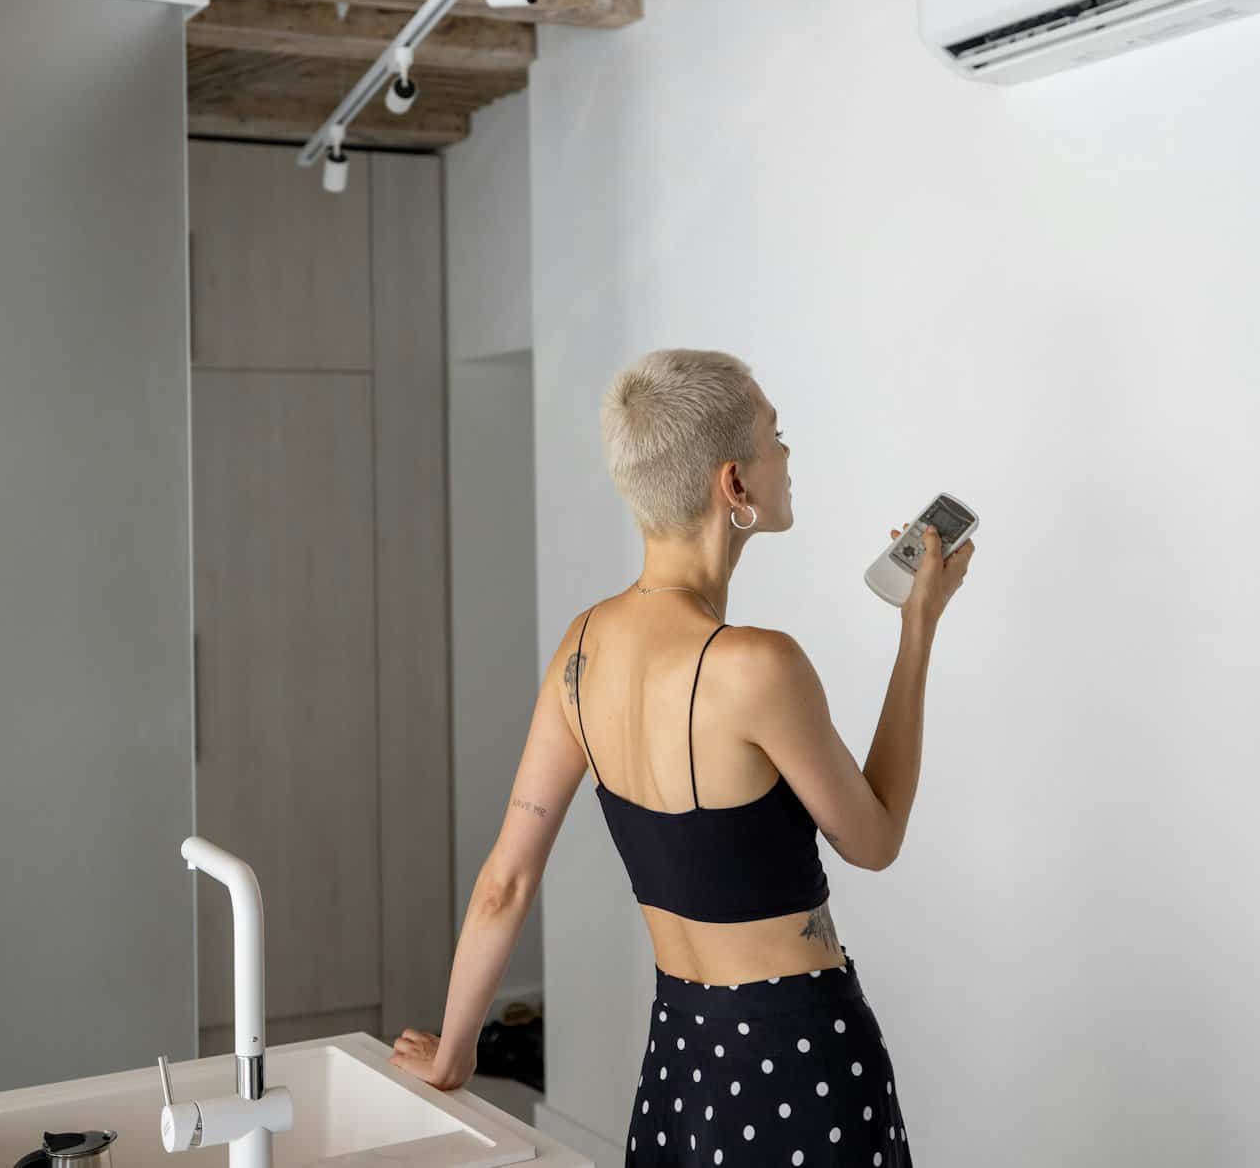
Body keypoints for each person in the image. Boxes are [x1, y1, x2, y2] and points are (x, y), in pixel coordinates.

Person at [389, 348, 973, 1166]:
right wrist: (919, 630)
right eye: (776, 437)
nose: (789, 454)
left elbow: (505, 883)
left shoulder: (579, 652)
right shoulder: (758, 666)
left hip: (682, 1057)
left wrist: (455, 1054)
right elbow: (874, 842)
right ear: (734, 485)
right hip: (800, 1057)